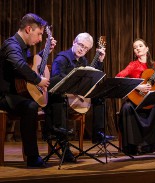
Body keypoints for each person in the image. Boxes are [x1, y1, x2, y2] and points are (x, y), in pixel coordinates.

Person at [0, 13, 57, 167]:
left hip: (17, 93)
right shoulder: (11, 45)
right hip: (4, 95)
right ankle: (32, 158)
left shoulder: (23, 48)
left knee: (55, 98)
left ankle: (60, 145)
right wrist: (38, 80)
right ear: (27, 29)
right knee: (30, 106)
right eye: (38, 34)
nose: (40, 39)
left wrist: (45, 52)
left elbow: (29, 65)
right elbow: (20, 65)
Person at [43, 32, 109, 162]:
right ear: (74, 42)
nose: (82, 50)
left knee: (100, 97)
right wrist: (73, 80)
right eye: (80, 45)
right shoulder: (62, 58)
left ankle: (98, 134)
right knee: (59, 98)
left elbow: (91, 76)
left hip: (74, 99)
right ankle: (64, 147)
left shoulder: (83, 60)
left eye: (86, 48)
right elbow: (55, 80)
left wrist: (99, 61)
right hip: (59, 98)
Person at [116, 38, 155, 155]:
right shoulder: (133, 65)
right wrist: (137, 87)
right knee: (126, 108)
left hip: (150, 101)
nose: (137, 48)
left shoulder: (154, 66)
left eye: (140, 46)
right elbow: (119, 77)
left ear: (147, 48)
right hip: (137, 101)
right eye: (135, 47)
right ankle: (135, 145)